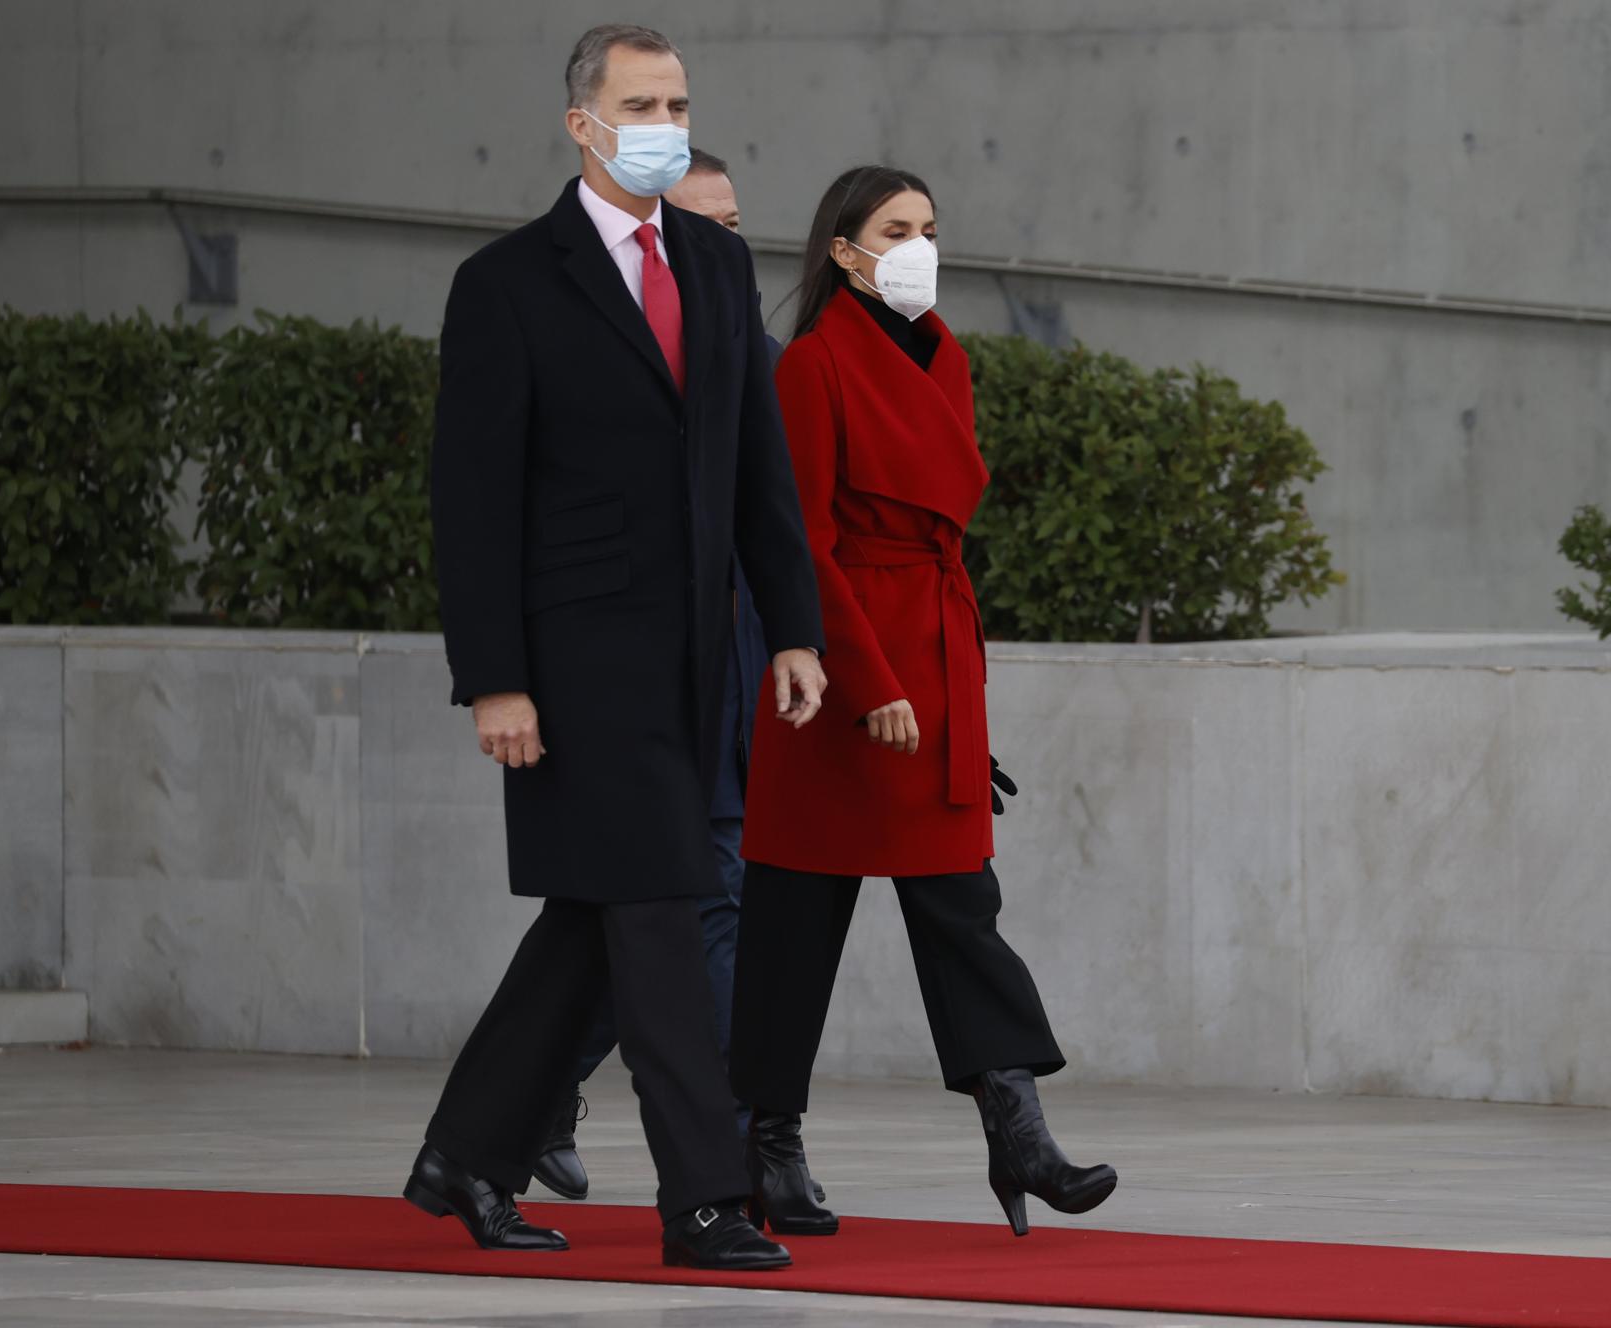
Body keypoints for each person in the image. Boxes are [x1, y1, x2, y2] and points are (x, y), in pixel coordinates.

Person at [407, 24, 827, 1272]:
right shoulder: (506, 284)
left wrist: (791, 627)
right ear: (581, 122)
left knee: (590, 920)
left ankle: (466, 1155)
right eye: (640, 100)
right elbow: (470, 500)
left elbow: (756, 467)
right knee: (657, 911)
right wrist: (493, 675)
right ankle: (704, 1197)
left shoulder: (708, 258)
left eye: (678, 98)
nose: (665, 118)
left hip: (698, 657)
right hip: (574, 665)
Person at [729, 165, 1117, 1239]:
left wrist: (926, 683)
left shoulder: (946, 357)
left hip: (937, 664)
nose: (917, 246)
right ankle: (766, 1142)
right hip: (842, 682)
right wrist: (867, 680)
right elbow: (798, 545)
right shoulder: (809, 368)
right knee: (792, 930)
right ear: (842, 250)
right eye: (894, 229)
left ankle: (1019, 1132)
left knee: (962, 910)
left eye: (929, 228)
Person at [529, 147, 795, 1203]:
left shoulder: (754, 355)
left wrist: (799, 647)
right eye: (701, 225)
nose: (725, 244)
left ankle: (553, 1093)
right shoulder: (592, 354)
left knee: (678, 899)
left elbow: (778, 525)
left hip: (728, 666)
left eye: (735, 224)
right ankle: (735, 1149)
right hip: (629, 673)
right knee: (671, 900)